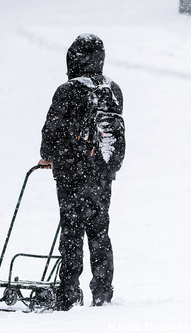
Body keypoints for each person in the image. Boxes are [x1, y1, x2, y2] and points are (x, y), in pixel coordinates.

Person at [38, 34, 125, 310]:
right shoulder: (113, 89)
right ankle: (102, 292)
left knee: (72, 232)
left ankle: (69, 293)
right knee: (100, 232)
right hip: (101, 174)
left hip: (70, 174)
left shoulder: (68, 90)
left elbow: (52, 128)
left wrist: (47, 156)